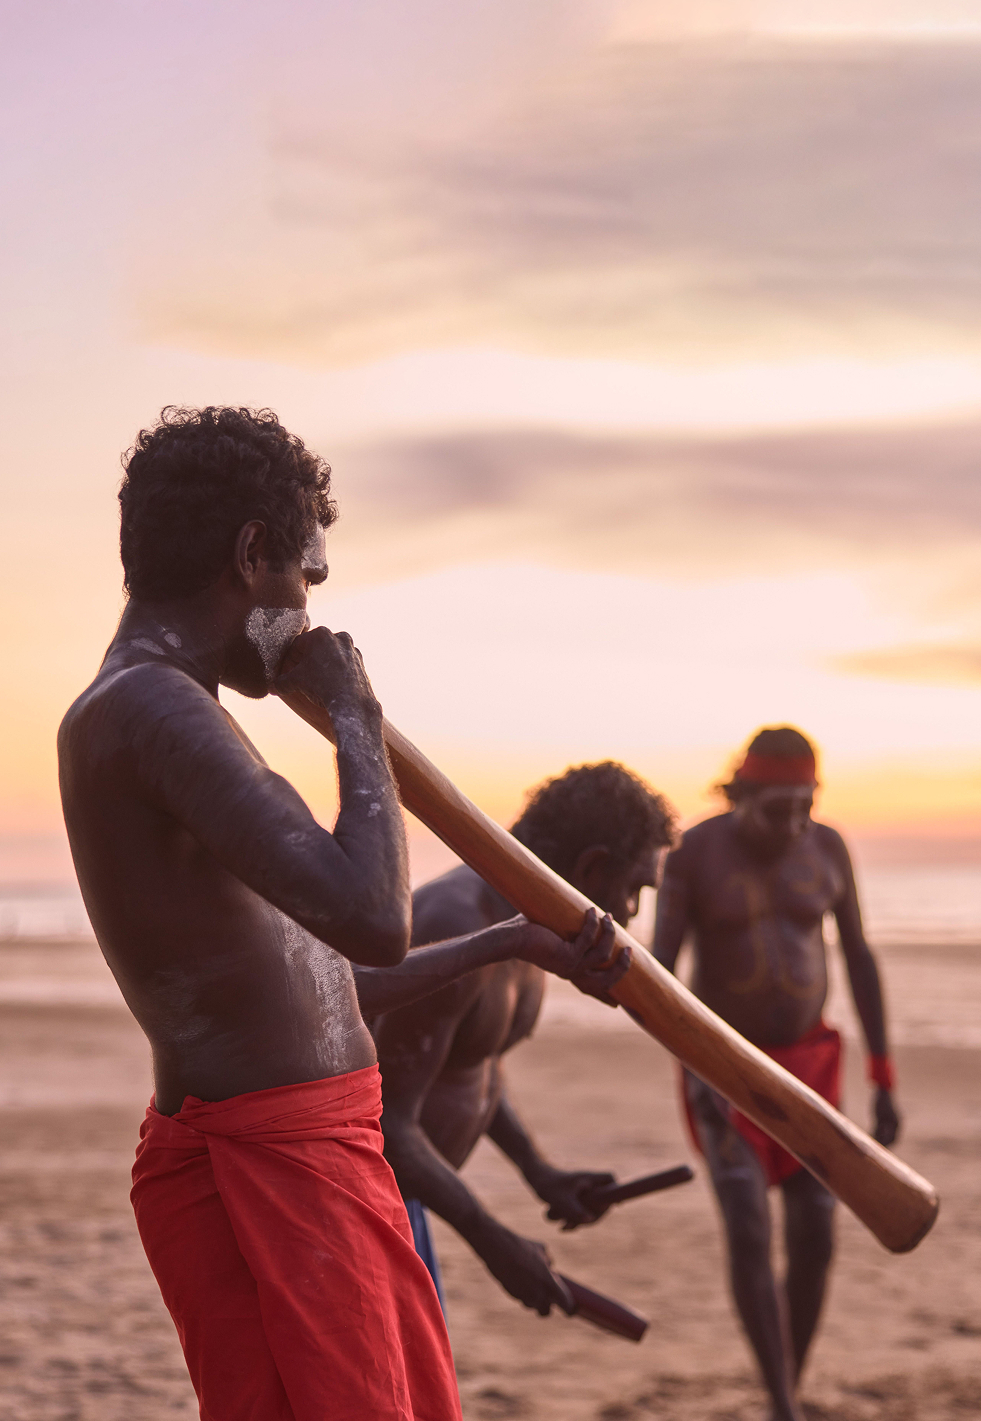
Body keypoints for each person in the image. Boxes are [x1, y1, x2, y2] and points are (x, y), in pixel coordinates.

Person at [57, 406, 615, 1421]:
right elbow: (373, 916)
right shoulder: (150, 709)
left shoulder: (182, 713)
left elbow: (317, 986)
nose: (306, 616)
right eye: (306, 580)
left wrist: (507, 940)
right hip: (285, 1164)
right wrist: (355, 717)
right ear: (252, 552)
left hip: (315, 1153)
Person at [653, 727, 899, 1421]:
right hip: (726, 1066)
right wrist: (695, 1062)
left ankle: (788, 1379)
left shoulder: (826, 847)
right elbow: (659, 972)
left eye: (804, 804)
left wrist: (882, 1074)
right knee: (746, 1220)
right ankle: (783, 1403)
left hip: (813, 1066)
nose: (793, 822)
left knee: (816, 1227)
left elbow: (856, 955)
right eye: (777, 807)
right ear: (744, 795)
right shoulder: (696, 851)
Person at [373, 762, 677, 1319]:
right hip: (359, 1211)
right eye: (635, 888)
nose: (632, 911)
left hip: (403, 1205)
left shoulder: (532, 931)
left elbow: (471, 1063)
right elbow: (385, 1122)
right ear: (593, 867)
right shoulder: (457, 921)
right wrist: (491, 1239)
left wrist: (538, 1172)